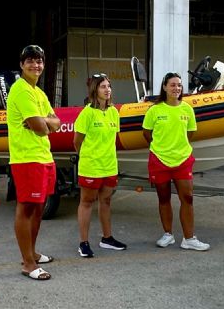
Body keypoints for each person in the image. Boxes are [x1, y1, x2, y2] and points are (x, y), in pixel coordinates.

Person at [7, 45, 60, 280]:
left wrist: (45, 122)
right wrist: (44, 123)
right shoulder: (21, 90)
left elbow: (56, 122)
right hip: (27, 157)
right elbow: (40, 127)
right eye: (30, 60)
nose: (35, 65)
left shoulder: (38, 93)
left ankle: (33, 253)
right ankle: (27, 263)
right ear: (21, 64)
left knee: (38, 209)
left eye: (39, 61)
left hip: (44, 157)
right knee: (26, 208)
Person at [142, 72, 209, 251]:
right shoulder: (154, 110)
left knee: (187, 198)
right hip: (159, 160)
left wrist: (178, 146)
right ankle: (168, 234)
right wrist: (162, 147)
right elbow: (147, 134)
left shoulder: (187, 109)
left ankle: (189, 238)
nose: (176, 88)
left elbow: (190, 133)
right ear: (164, 87)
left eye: (179, 85)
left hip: (182, 159)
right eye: (172, 85)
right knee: (163, 198)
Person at [73, 73, 127, 257]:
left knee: (106, 201)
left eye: (109, 86)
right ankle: (83, 243)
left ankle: (107, 238)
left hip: (109, 165)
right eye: (103, 86)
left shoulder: (113, 112)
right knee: (87, 202)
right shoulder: (87, 113)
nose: (107, 90)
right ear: (94, 90)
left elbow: (112, 141)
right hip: (91, 166)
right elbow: (77, 141)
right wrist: (87, 157)